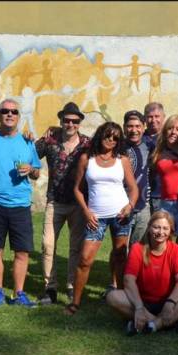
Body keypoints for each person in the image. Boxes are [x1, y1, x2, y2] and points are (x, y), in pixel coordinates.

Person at [64, 122, 138, 315]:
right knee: (85, 259)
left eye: (115, 138)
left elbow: (133, 188)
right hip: (96, 217)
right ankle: (75, 303)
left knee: (120, 256)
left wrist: (130, 206)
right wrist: (87, 212)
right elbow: (77, 190)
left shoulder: (123, 160)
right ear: (100, 135)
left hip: (120, 216)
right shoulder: (86, 159)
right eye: (107, 136)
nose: (111, 140)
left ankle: (122, 299)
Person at [106, 210, 178, 335]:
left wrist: (170, 303)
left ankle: (147, 324)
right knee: (112, 297)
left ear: (171, 231)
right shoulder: (137, 248)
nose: (161, 232)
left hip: (170, 302)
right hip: (142, 301)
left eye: (165, 228)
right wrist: (139, 307)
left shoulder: (176, 250)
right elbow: (128, 280)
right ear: (149, 228)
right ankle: (166, 323)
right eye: (156, 227)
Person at [0, 99, 41, 307]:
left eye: (14, 111)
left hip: (20, 204)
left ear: (18, 116)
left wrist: (30, 170)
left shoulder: (27, 142)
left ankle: (19, 293)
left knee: (22, 251)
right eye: (5, 111)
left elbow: (36, 172)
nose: (9, 114)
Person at [34, 102, 91, 305]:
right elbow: (30, 153)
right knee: (47, 244)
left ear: (79, 123)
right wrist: (37, 134)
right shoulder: (50, 141)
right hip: (54, 201)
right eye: (66, 120)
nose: (70, 124)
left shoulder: (88, 143)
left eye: (74, 121)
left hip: (78, 203)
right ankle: (50, 288)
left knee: (76, 247)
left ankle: (71, 286)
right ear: (61, 121)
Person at [152, 114, 178, 266]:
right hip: (165, 204)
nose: (173, 132)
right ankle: (164, 278)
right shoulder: (159, 151)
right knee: (162, 244)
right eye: (170, 128)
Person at [124, 110, 154, 246]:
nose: (134, 130)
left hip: (143, 207)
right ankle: (119, 269)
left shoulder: (150, 145)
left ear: (143, 127)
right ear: (124, 127)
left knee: (139, 249)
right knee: (120, 249)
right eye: (130, 126)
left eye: (137, 126)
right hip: (121, 207)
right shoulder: (116, 145)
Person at [144, 102, 165, 213]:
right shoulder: (140, 139)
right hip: (144, 196)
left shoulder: (169, 139)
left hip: (163, 194)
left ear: (163, 117)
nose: (153, 120)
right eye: (150, 117)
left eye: (157, 116)